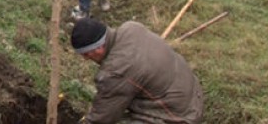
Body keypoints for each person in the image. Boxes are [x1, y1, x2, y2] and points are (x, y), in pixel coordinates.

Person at [71, 18, 204, 123]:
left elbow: (102, 118)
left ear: (98, 49)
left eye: (86, 54)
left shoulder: (116, 71)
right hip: (192, 94)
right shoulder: (131, 28)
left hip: (180, 115)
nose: (85, 59)